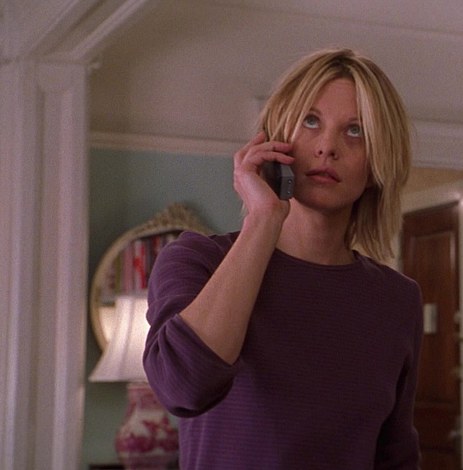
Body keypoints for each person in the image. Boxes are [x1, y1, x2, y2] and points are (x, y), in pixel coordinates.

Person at [143, 48, 423, 469]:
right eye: (310, 121)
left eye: (355, 131)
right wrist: (264, 219)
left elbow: (395, 455)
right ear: (276, 140)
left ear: (378, 162)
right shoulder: (195, 260)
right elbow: (183, 387)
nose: (327, 147)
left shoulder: (397, 299)